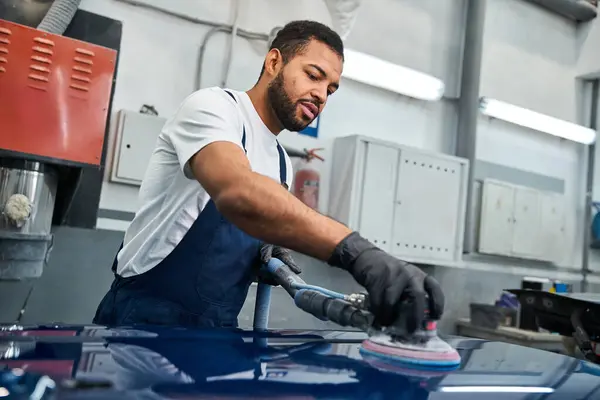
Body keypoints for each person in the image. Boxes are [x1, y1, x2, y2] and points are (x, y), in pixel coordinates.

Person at [93, 20, 445, 334]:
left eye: (331, 90)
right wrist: (357, 252)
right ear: (274, 62)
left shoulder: (280, 164)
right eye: (313, 75)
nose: (321, 95)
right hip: (143, 322)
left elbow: (258, 213)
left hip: (218, 333)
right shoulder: (215, 108)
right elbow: (240, 194)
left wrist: (261, 249)